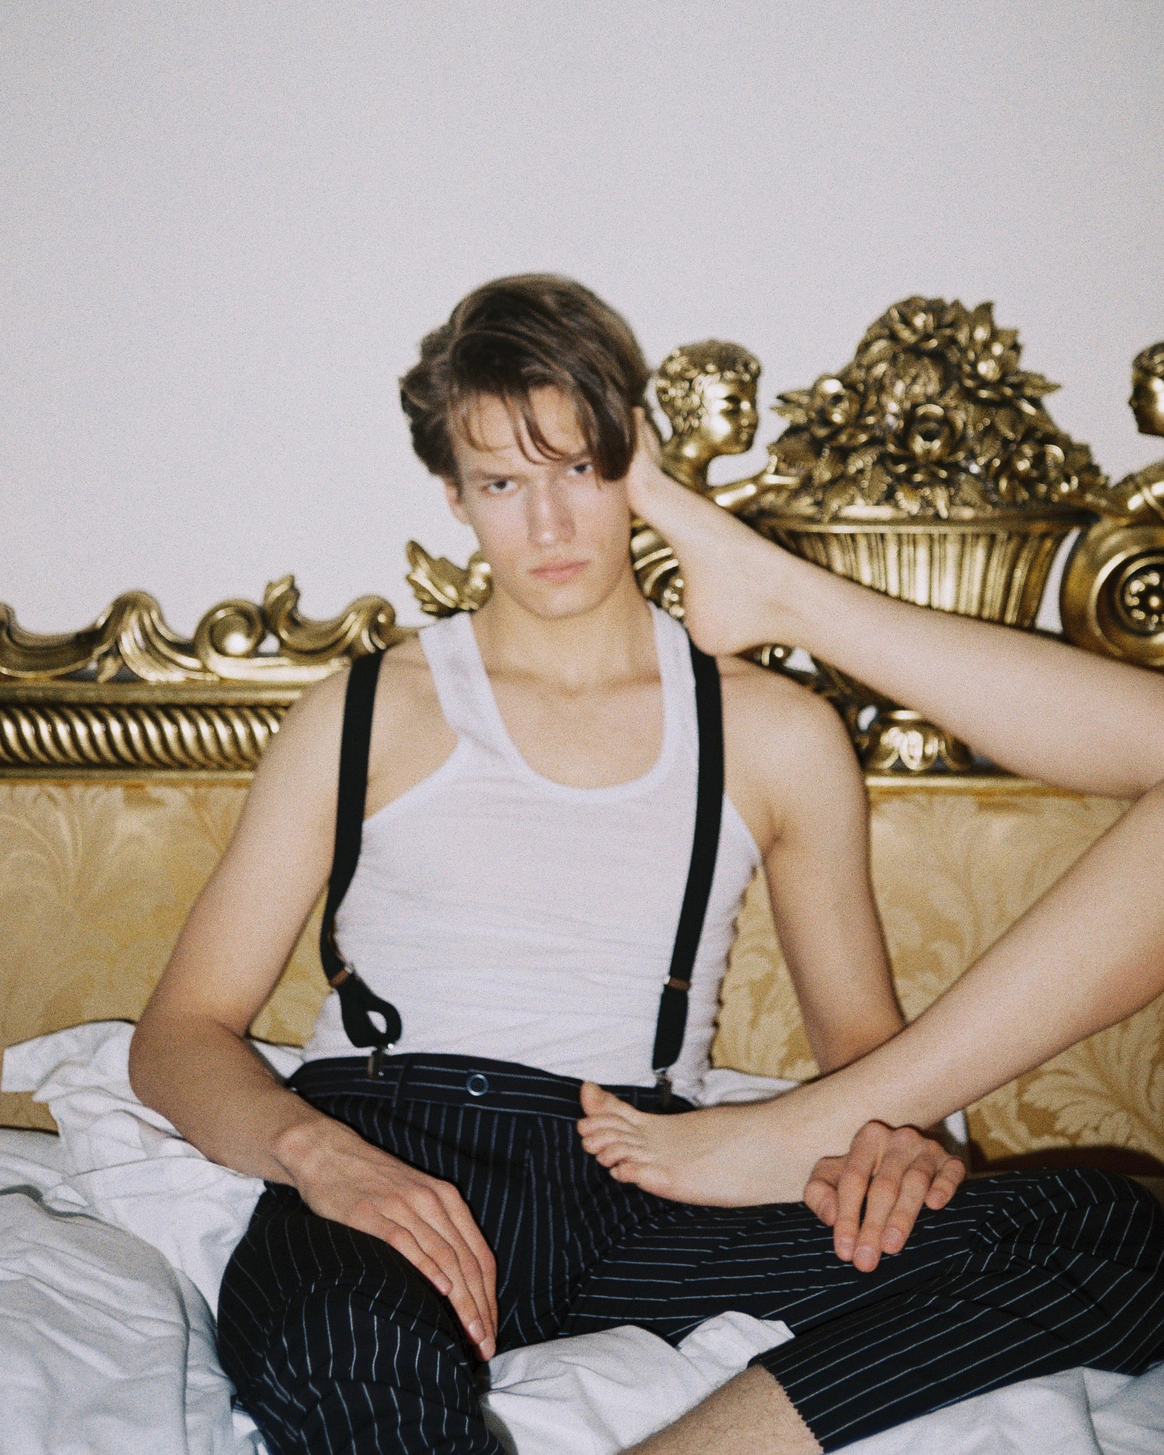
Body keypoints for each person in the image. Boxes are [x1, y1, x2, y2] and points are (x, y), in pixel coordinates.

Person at [129, 276, 1164, 1455]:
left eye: (580, 467)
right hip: (390, 1149)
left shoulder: (771, 731)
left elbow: (867, 1056)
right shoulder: (367, 712)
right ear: (453, 494)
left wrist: (894, 1141)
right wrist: (318, 1158)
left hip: (646, 1176)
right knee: (349, 1355)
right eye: (503, 483)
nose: (550, 525)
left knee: (1103, 1232)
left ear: (638, 459)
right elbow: (180, 1033)